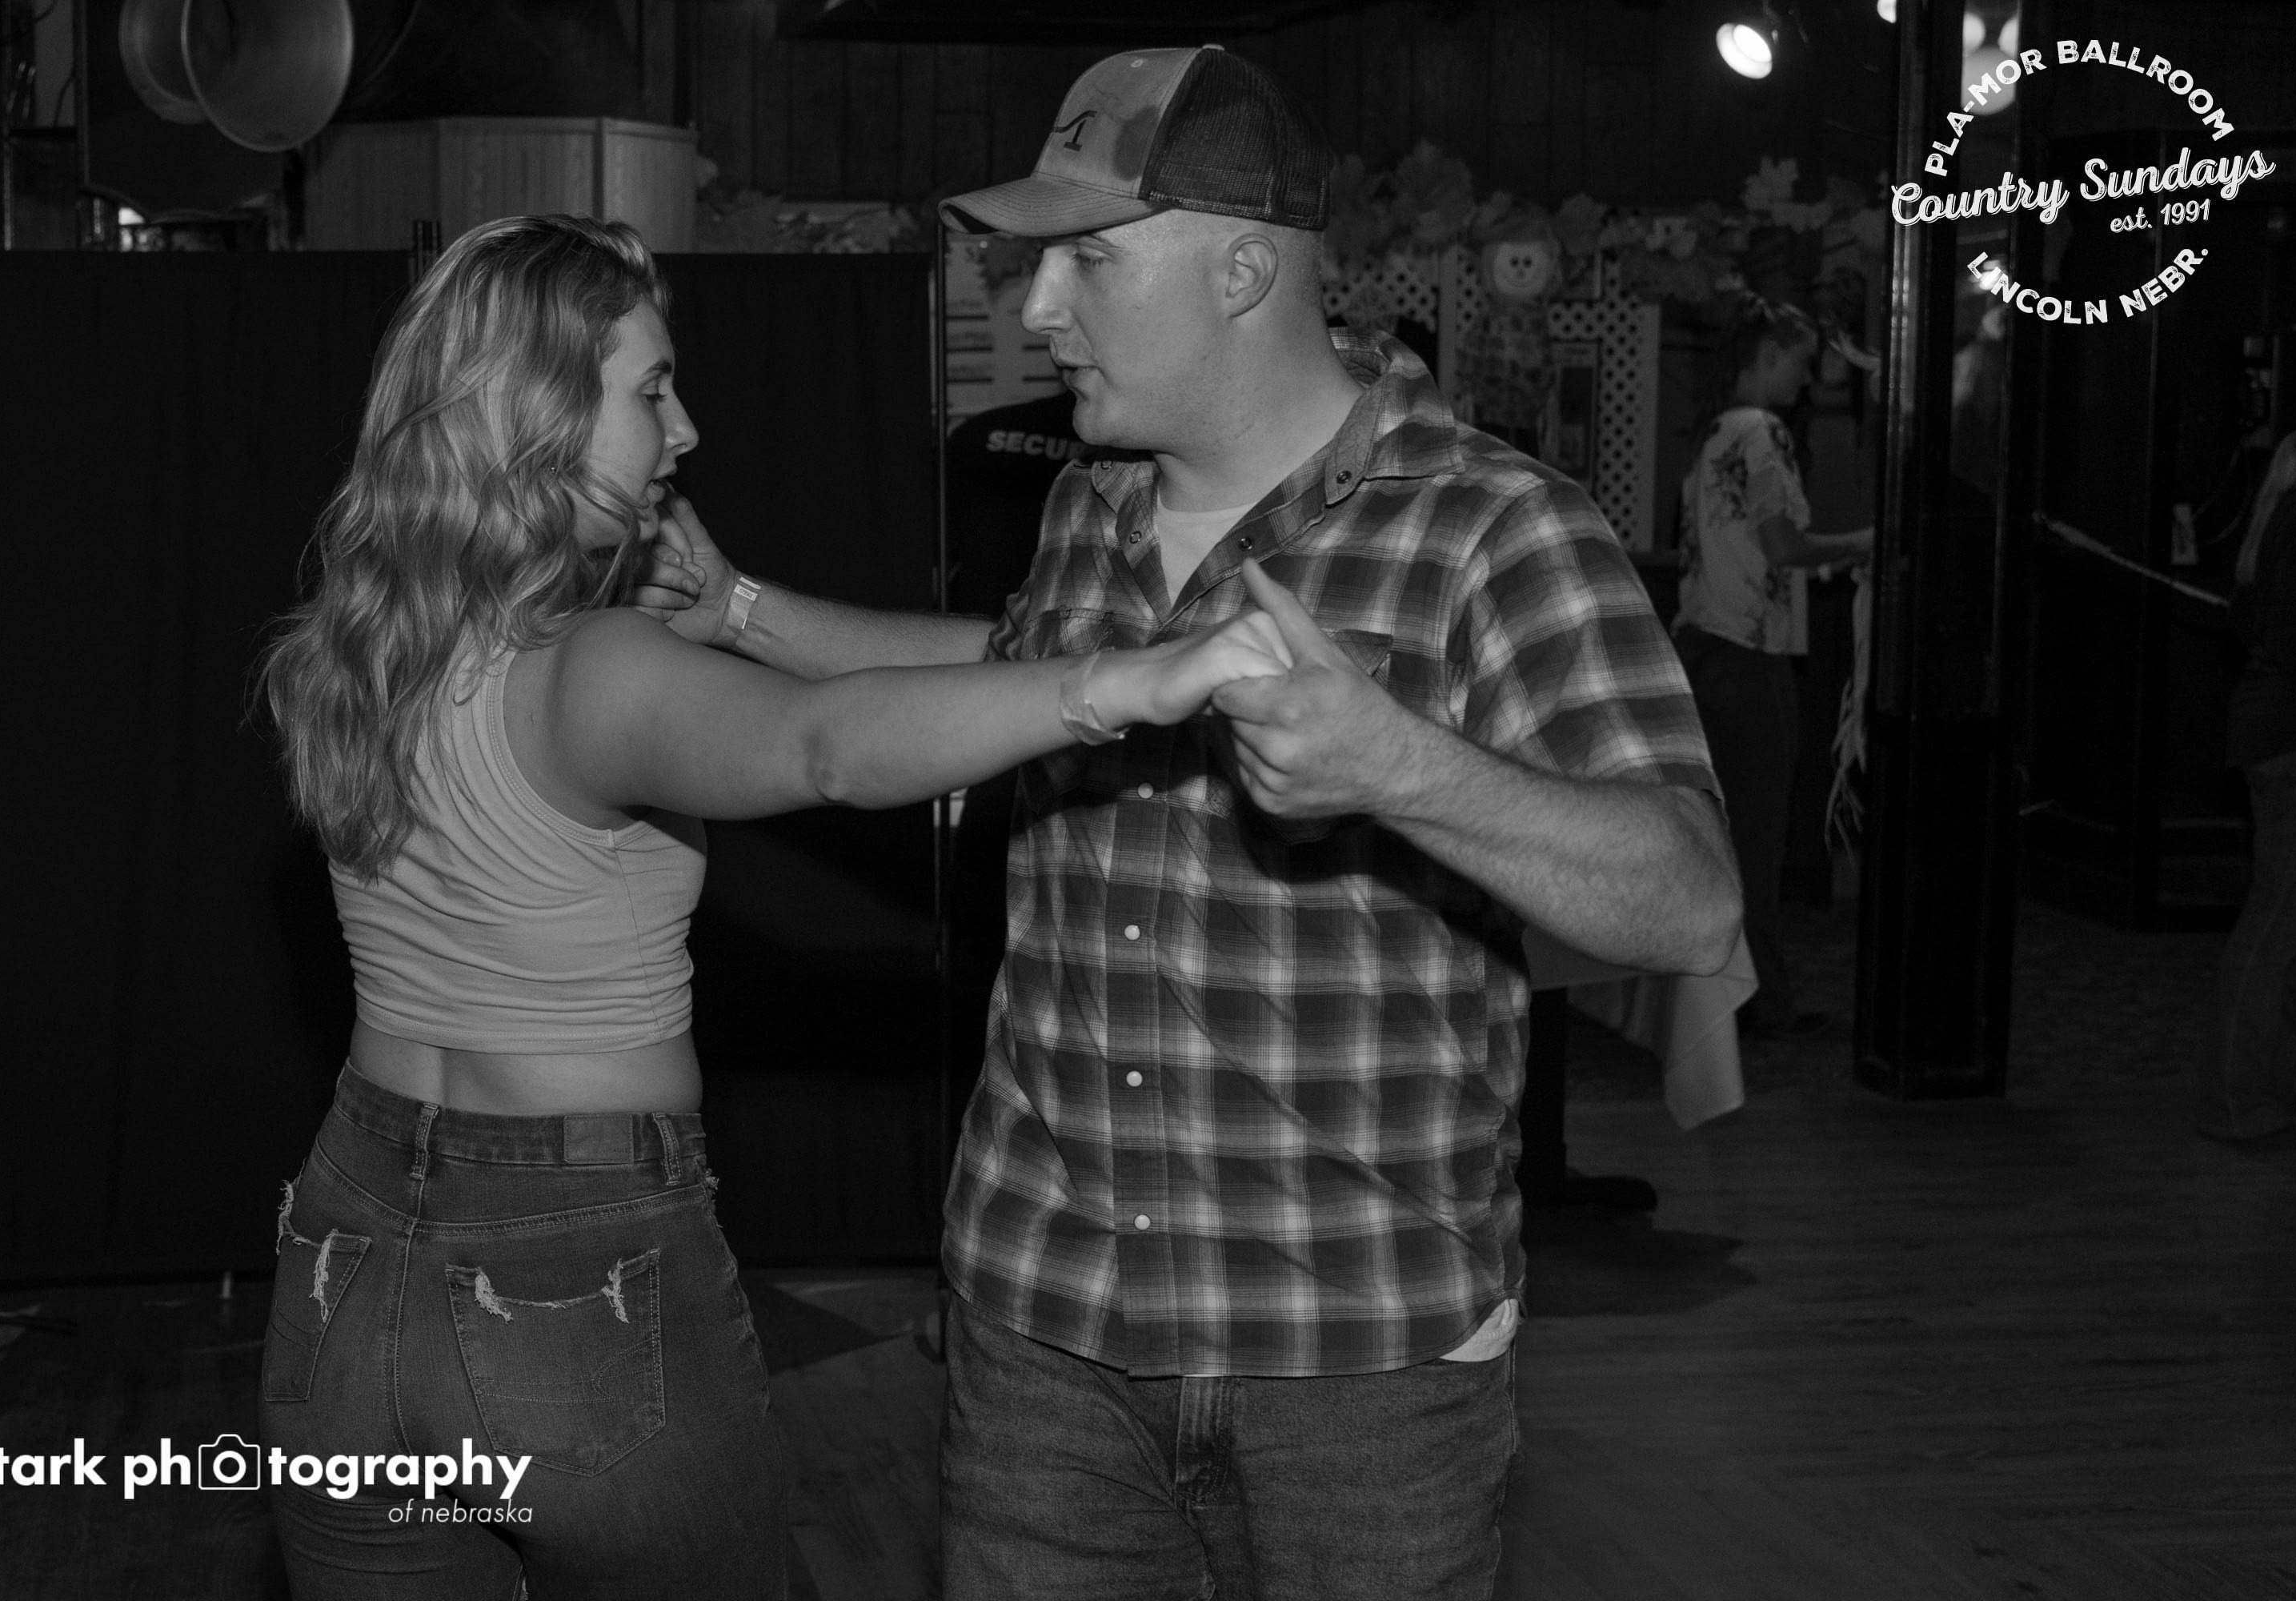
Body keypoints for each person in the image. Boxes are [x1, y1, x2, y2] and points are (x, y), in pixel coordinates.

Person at [642, 46, 1741, 1599]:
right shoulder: (1089, 503)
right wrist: (743, 610)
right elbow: (1011, 682)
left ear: (1242, 271)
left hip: (1358, 1369)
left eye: (1088, 258)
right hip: (1046, 1334)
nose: (1038, 306)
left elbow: (1691, 902)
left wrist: (1401, 768)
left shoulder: (1495, 528)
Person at [253, 213, 1287, 1601]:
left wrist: (733, 606)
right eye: (650, 390)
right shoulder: (593, 667)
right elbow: (828, 749)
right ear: (538, 417)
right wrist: (1127, 683)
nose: (683, 433)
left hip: (346, 1240)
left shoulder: (352, 651)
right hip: (570, 1258)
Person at [1670, 297, 1873, 1038]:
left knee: (1715, 838)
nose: (1807, 377)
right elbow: (1784, 546)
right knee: (1756, 840)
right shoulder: (1763, 432)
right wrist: (1863, 542)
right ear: (1768, 355)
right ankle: (1761, 1000)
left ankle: (1717, 995)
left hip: (1702, 648)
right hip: (1751, 660)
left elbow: (1746, 553)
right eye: (1799, 361)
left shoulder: (1714, 432)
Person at [2202, 413, 2296, 1138]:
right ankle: (2238, 1100)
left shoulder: (2283, 506)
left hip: (2276, 736)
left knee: (2290, 921)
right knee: (2279, 920)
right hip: (2294, 742)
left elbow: (2248, 620)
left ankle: (2272, 1089)